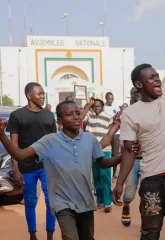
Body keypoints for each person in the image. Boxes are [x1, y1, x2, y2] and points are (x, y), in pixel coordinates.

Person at [113, 2, 165, 239]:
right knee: (150, 233)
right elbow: (129, 151)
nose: (158, 80)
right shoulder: (131, 113)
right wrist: (120, 183)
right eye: (151, 78)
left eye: (157, 76)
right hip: (151, 182)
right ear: (139, 85)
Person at [0, 100, 122, 240]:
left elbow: (103, 163)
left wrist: (123, 156)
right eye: (70, 114)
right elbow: (19, 155)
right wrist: (2, 135)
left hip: (85, 201)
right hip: (62, 202)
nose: (76, 117)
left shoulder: (89, 138)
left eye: (77, 113)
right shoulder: (49, 141)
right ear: (59, 120)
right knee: (71, 237)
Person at [7, 82, 57, 240]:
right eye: (40, 94)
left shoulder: (49, 115)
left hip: (47, 165)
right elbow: (13, 145)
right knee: (30, 201)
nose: (43, 97)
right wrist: (16, 168)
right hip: (26, 166)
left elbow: (53, 142)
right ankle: (32, 234)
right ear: (29, 95)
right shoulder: (17, 115)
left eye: (44, 94)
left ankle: (50, 235)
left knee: (51, 202)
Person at [82, 98, 114, 213]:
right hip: (91, 150)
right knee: (96, 176)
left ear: (102, 106)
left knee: (105, 175)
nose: (96, 108)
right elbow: (80, 117)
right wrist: (88, 106)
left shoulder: (108, 116)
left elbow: (112, 133)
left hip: (105, 150)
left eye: (99, 106)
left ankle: (108, 202)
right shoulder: (88, 116)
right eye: (94, 106)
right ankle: (100, 201)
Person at [121, 89, 142, 227]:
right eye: (134, 94)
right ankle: (126, 205)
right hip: (132, 159)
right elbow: (126, 143)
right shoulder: (126, 115)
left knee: (148, 194)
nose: (138, 96)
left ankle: (147, 225)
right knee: (129, 194)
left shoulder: (153, 112)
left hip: (150, 160)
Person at [104, 92, 121, 180]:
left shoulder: (116, 108)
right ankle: (106, 172)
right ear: (106, 99)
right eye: (109, 99)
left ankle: (114, 173)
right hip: (106, 133)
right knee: (105, 153)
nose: (111, 100)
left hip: (116, 134)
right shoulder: (102, 108)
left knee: (115, 153)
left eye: (112, 98)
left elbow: (119, 119)